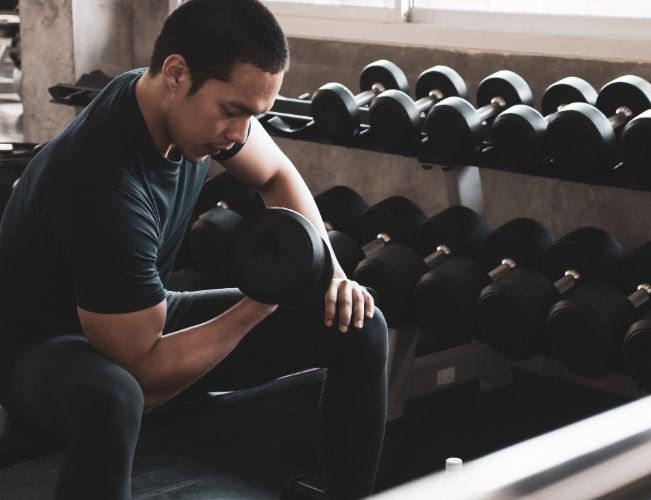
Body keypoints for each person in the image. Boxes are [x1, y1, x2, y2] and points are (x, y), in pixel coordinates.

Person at [0, 1, 388, 499]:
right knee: (114, 396)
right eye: (233, 111)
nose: (240, 135)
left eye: (254, 115)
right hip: (39, 348)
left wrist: (328, 273)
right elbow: (145, 377)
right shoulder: (101, 187)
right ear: (177, 73)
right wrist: (262, 300)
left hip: (134, 316)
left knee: (357, 324)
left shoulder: (170, 101)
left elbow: (277, 174)